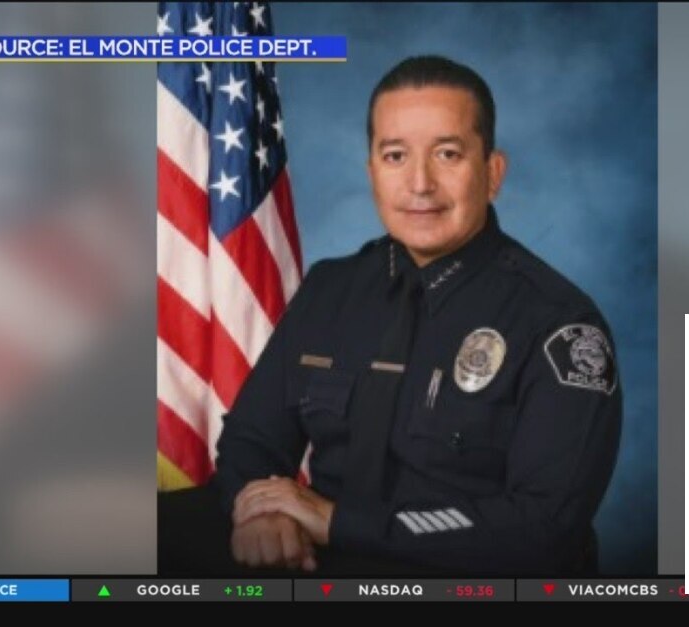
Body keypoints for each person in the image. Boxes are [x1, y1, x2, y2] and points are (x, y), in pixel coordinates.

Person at [159, 55, 621, 577]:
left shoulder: (557, 324)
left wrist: (338, 522)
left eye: (447, 154)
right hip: (326, 556)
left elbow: (544, 526)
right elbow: (252, 440)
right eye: (396, 155)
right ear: (373, 172)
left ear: (493, 173)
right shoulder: (330, 291)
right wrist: (263, 513)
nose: (420, 183)